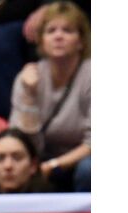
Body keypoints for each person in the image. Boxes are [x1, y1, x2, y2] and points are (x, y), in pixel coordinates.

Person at [9, 1, 90, 192]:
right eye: (51, 31)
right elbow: (22, 142)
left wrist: (54, 165)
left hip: (82, 158)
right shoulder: (27, 76)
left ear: (81, 41)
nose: (58, 36)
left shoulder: (92, 75)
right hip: (43, 159)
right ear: (41, 41)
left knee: (89, 170)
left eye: (67, 30)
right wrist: (29, 96)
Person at [0, 127, 54, 194]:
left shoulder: (55, 200)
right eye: (0, 158)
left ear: (33, 165)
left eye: (17, 158)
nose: (8, 166)